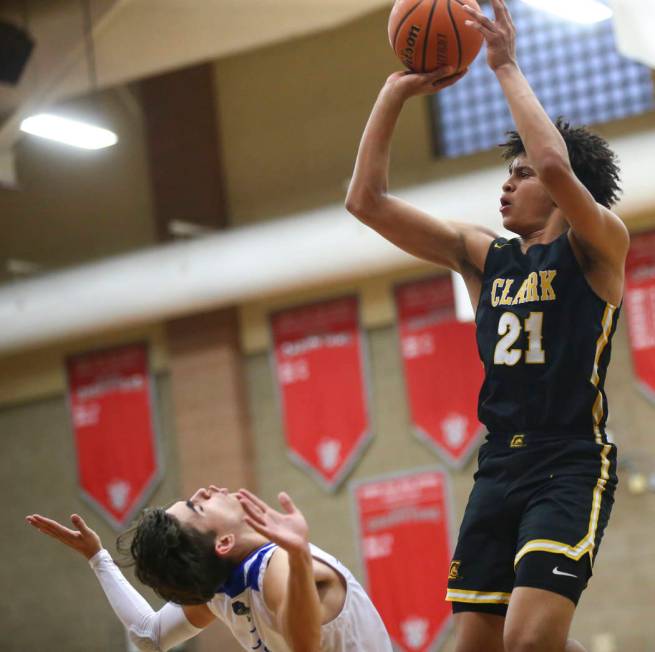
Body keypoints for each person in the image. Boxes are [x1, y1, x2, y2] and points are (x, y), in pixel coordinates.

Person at [345, 1, 628, 651]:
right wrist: (393, 94)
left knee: (529, 642)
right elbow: (365, 201)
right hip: (498, 466)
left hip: (568, 463)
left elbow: (556, 165)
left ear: (562, 193)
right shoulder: (482, 256)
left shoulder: (597, 247)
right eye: (508, 173)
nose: (507, 186)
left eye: (519, 174)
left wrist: (503, 65)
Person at [27, 486, 392, 652]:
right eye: (197, 506)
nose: (203, 491)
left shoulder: (217, 594)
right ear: (223, 544)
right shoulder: (277, 565)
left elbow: (150, 636)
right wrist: (296, 554)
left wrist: (98, 558)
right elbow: (304, 645)